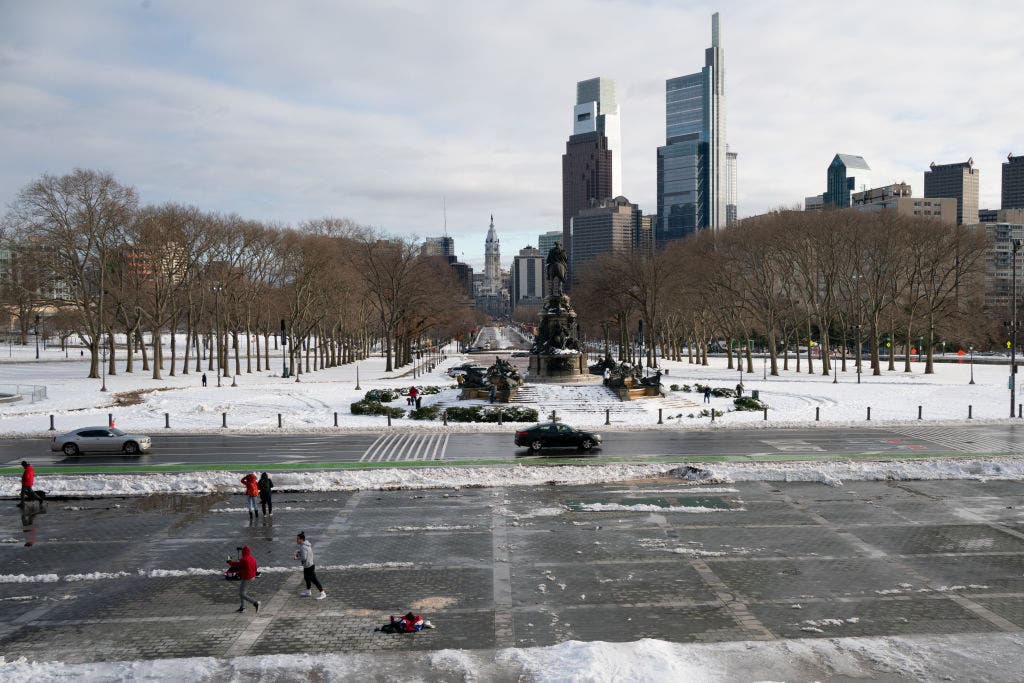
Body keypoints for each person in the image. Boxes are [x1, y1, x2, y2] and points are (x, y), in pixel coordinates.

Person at [227, 545, 260, 613]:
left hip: (246, 578)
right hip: (252, 577)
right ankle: (242, 607)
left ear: (243, 552)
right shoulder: (252, 558)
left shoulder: (243, 559)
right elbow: (255, 568)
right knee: (243, 592)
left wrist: (229, 561)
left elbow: (236, 565)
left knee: (242, 594)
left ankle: (255, 603)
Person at [295, 531, 326, 600]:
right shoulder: (305, 544)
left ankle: (323, 593)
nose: (296, 540)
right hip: (308, 565)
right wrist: (299, 552)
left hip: (309, 566)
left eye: (297, 539)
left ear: (301, 539)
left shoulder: (303, 547)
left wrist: (297, 557)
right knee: (306, 578)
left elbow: (304, 558)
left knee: (314, 580)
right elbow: (305, 553)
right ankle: (308, 591)